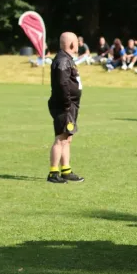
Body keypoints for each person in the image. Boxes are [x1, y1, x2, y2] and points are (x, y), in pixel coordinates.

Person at [47, 32, 85, 184]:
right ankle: (53, 173)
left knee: (67, 138)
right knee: (61, 138)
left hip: (69, 106)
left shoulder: (66, 59)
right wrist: (67, 104)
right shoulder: (63, 60)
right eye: (76, 41)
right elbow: (62, 84)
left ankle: (66, 170)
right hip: (64, 106)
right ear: (71, 44)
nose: (78, 44)